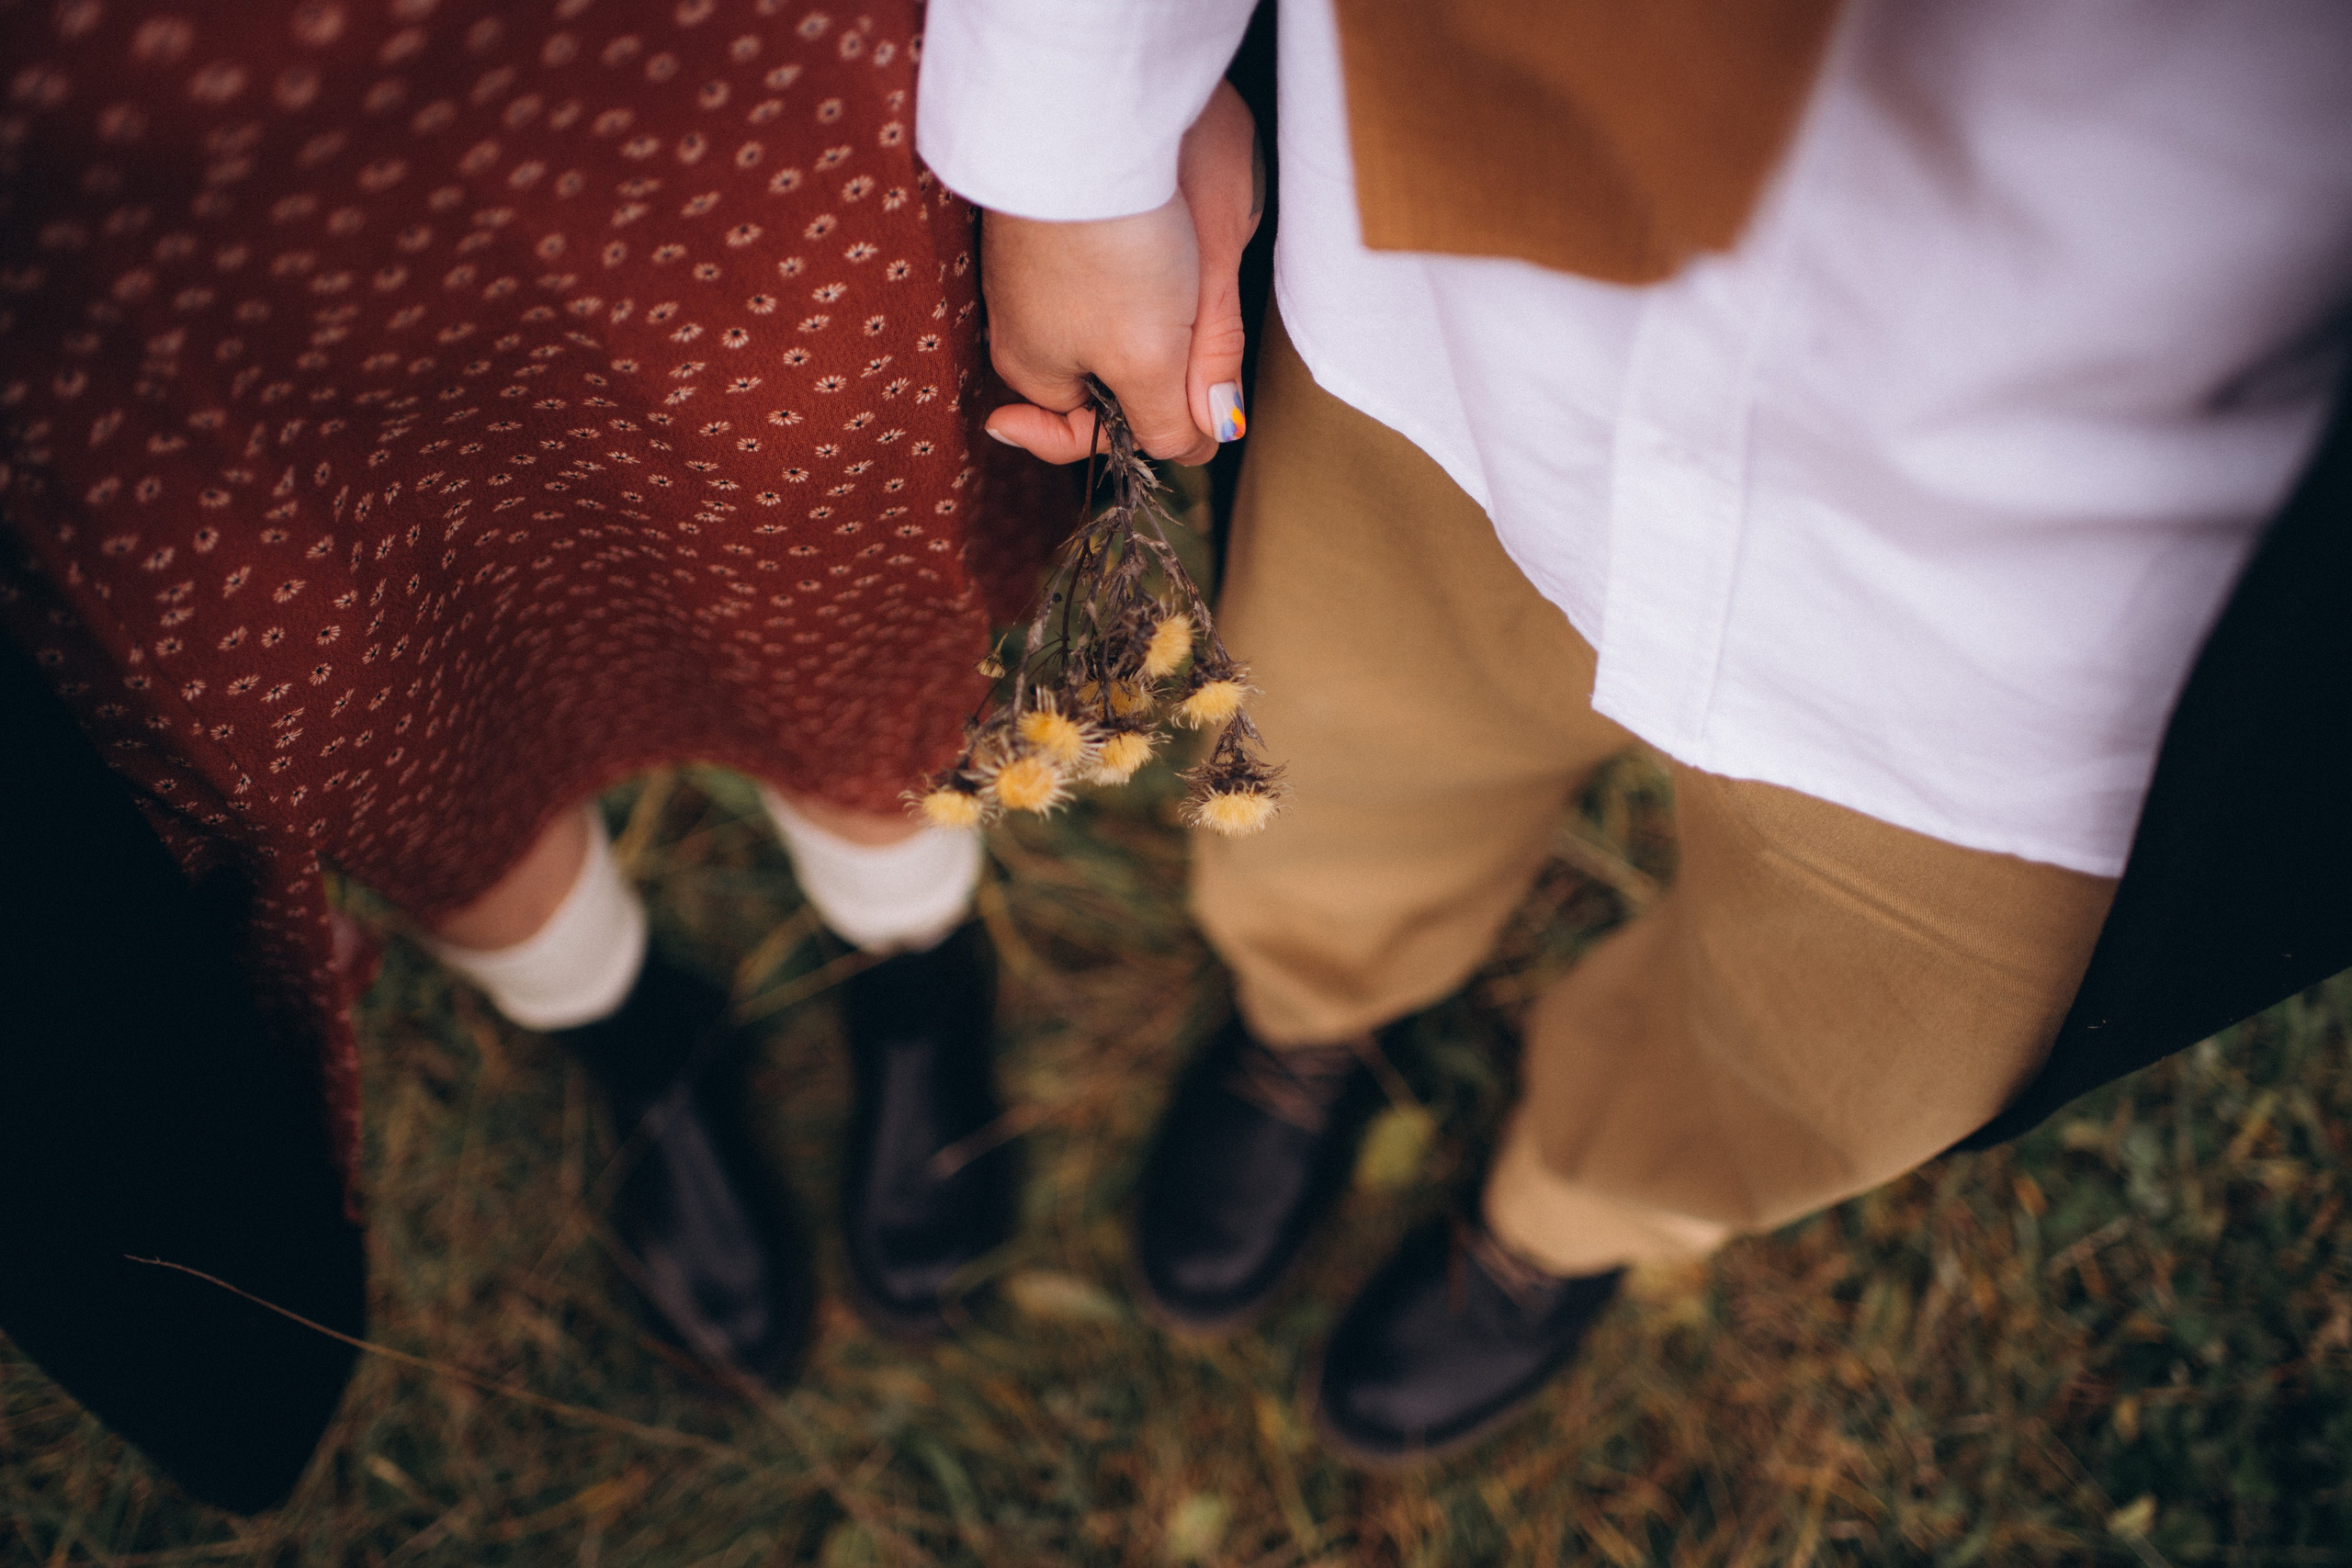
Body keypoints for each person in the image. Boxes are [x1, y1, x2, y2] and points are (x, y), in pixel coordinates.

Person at [919, 0, 2352, 1464]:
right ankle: (1310, 1008)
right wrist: (1076, 142)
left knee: (1819, 1052)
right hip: (1462, 329)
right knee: (1343, 762)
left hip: (2065, 627)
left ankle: (1576, 1209)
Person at [0, 0, 1053, 1507]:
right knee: (376, 687)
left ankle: (913, 979)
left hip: (662, 89)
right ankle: (641, 1036)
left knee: (820, 570)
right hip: (134, 216)